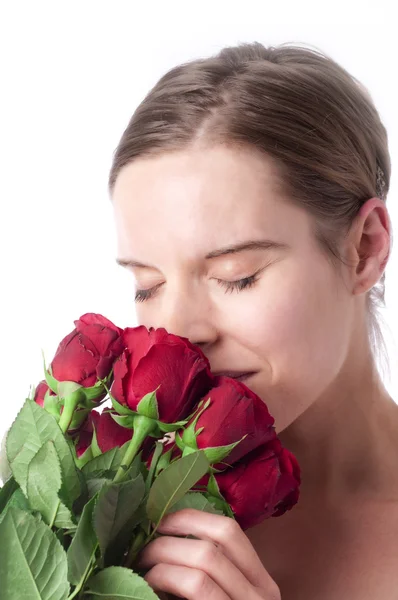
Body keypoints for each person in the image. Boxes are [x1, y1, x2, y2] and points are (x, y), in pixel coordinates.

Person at [108, 42, 398, 599]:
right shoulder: (116, 508)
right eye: (148, 285)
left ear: (365, 249)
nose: (178, 331)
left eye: (236, 275)